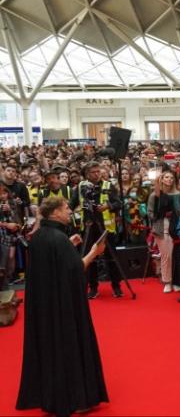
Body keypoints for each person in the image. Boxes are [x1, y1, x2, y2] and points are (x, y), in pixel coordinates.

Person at [17, 196, 108, 417]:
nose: (70, 212)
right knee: (68, 346)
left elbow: (51, 264)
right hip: (64, 308)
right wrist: (94, 252)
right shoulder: (58, 239)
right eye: (67, 208)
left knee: (50, 348)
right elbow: (76, 270)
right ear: (55, 212)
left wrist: (70, 244)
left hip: (45, 307)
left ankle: (50, 394)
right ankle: (75, 398)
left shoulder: (38, 237)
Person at [74, 161, 123, 299]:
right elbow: (73, 204)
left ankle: (116, 286)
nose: (96, 174)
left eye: (98, 171)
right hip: (89, 227)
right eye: (93, 172)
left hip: (106, 228)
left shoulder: (108, 185)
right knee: (90, 260)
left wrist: (107, 206)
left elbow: (119, 203)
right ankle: (93, 287)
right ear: (86, 174)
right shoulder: (80, 187)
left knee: (112, 258)